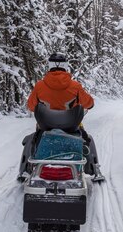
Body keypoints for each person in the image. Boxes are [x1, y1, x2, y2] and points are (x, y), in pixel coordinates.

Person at [18, 53, 104, 182]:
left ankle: (24, 170)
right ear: (65, 66)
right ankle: (95, 169)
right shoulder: (75, 86)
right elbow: (89, 103)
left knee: (32, 139)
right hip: (71, 126)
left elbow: (31, 106)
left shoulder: (40, 85)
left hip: (45, 126)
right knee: (87, 139)